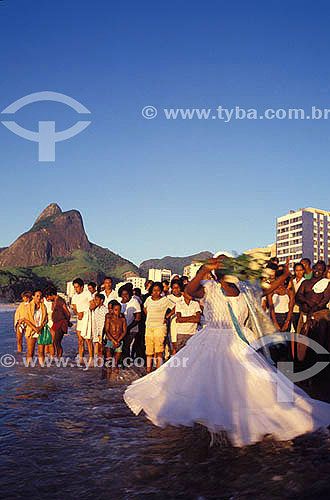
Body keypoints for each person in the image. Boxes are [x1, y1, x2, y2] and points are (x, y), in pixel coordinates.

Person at [124, 257, 330, 447]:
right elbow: (189, 290)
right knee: (207, 384)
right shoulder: (210, 287)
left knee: (254, 384)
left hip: (240, 341)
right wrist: (204, 269)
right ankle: (213, 428)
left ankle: (244, 424)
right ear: (219, 274)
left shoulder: (245, 289)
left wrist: (284, 276)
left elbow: (266, 290)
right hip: (212, 341)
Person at [295, 260, 330, 358]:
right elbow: (298, 296)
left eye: (320, 269)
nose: (317, 271)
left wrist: (313, 309)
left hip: (320, 313)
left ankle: (319, 361)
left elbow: (325, 299)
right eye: (316, 268)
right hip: (305, 312)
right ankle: (300, 361)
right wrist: (307, 302)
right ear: (312, 268)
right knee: (302, 338)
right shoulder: (306, 282)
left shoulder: (326, 283)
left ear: (323, 272)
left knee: (319, 339)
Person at [143, 282, 171, 372]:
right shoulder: (148, 299)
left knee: (159, 349)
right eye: (154, 290)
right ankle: (148, 371)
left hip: (160, 327)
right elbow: (144, 308)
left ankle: (158, 370)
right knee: (149, 350)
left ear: (161, 291)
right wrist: (149, 316)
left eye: (158, 290)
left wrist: (166, 317)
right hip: (149, 326)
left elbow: (174, 308)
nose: (156, 292)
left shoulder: (165, 300)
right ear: (151, 291)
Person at [44, 286, 70, 359]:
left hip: (61, 323)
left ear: (52, 294)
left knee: (57, 341)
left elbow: (67, 312)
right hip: (56, 323)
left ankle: (59, 357)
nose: (48, 299)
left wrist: (67, 322)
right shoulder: (54, 301)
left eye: (48, 296)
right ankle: (58, 357)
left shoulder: (60, 301)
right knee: (56, 342)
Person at [71, 278, 94, 364]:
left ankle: (91, 358)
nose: (76, 289)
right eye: (74, 287)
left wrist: (84, 312)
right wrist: (78, 313)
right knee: (80, 340)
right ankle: (81, 358)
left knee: (88, 339)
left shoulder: (87, 293)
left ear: (81, 287)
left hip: (87, 318)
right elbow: (75, 309)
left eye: (77, 287)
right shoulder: (74, 296)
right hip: (79, 319)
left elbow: (93, 304)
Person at [22, 290, 48, 366]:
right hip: (31, 330)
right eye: (37, 296)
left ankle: (42, 370)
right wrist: (35, 328)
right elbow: (26, 319)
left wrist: (40, 327)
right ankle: (28, 370)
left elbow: (45, 319)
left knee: (41, 352)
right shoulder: (28, 306)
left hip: (41, 330)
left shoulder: (43, 306)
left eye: (40, 296)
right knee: (30, 352)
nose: (39, 298)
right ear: (33, 297)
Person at [104, 301, 126, 378]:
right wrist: (114, 341)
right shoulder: (109, 319)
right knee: (109, 361)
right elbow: (107, 331)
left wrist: (118, 341)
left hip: (119, 341)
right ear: (112, 310)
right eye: (116, 310)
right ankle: (108, 379)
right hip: (110, 341)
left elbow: (124, 331)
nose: (118, 312)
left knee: (115, 362)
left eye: (119, 310)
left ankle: (114, 378)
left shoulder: (122, 319)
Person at [119, 285, 141, 361]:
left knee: (126, 345)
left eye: (126, 294)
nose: (124, 296)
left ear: (130, 294)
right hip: (121, 329)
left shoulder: (134, 302)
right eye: (123, 294)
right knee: (121, 346)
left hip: (131, 329)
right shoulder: (119, 302)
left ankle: (126, 362)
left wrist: (128, 328)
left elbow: (138, 318)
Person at [166, 279, 184, 354]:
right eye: (173, 288)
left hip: (184, 323)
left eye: (177, 288)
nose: (175, 290)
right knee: (174, 345)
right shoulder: (168, 298)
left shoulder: (185, 297)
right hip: (173, 323)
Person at [93, 293, 108, 362]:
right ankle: (99, 363)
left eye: (97, 300)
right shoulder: (96, 310)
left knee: (102, 349)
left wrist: (102, 334)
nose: (95, 301)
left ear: (102, 300)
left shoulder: (105, 310)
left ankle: (102, 363)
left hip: (103, 332)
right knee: (99, 348)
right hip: (97, 332)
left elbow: (104, 323)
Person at [292, 263, 305, 332]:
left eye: (300, 270)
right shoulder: (291, 282)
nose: (299, 272)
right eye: (297, 270)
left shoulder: (305, 282)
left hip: (301, 309)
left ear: (303, 271)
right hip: (291, 309)